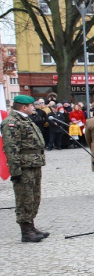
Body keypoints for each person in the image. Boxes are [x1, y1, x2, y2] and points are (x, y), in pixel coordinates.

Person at [1, 95, 49, 242]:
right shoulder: (11, 122)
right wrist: (15, 170)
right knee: (24, 198)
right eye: (31, 106)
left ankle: (31, 225)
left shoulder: (25, 120)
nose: (33, 108)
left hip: (33, 164)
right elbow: (11, 147)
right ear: (24, 107)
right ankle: (26, 231)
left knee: (34, 196)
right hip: (23, 166)